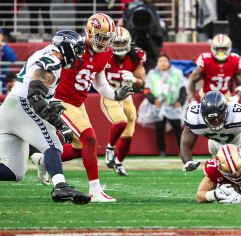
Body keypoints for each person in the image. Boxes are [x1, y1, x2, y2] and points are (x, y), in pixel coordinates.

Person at [0, 30, 90, 205]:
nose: (78, 56)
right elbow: (34, 96)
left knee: (14, 171)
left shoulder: (46, 52)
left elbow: (37, 90)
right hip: (21, 105)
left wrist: (49, 102)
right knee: (53, 143)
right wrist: (59, 124)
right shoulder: (53, 62)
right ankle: (60, 185)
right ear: (67, 48)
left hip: (8, 109)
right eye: (77, 51)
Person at [53, 14, 133, 202]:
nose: (105, 42)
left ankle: (43, 159)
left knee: (80, 148)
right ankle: (95, 191)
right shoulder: (73, 46)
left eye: (108, 38)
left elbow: (99, 82)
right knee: (89, 136)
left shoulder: (105, 52)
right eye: (101, 37)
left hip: (78, 102)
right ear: (89, 32)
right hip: (61, 100)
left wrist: (115, 94)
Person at [180, 91, 241, 172]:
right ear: (203, 115)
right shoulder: (194, 117)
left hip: (240, 141)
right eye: (211, 118)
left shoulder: (236, 114)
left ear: (226, 111)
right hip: (216, 143)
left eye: (219, 116)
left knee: (238, 168)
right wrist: (188, 162)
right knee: (221, 170)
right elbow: (185, 145)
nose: (216, 120)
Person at [102, 27, 146, 176]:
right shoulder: (104, 55)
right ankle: (109, 149)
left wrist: (134, 80)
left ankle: (119, 163)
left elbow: (143, 83)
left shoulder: (135, 55)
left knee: (128, 133)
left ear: (128, 43)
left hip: (127, 96)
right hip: (110, 95)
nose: (120, 46)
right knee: (121, 122)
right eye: (117, 43)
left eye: (122, 43)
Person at [139, 55, 188, 157]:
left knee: (177, 128)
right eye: (160, 61)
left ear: (169, 62)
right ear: (157, 63)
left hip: (173, 106)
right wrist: (153, 100)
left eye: (165, 61)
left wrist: (181, 101)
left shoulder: (177, 73)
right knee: (159, 129)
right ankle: (162, 150)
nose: (163, 63)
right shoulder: (152, 74)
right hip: (158, 107)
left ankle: (183, 150)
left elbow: (183, 87)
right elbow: (146, 89)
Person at [188, 34, 241, 106]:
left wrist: (237, 96)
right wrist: (192, 99)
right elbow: (192, 80)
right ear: (213, 48)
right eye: (218, 48)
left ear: (229, 48)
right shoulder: (206, 60)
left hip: (225, 95)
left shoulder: (235, 60)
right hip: (207, 95)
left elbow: (240, 83)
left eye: (223, 48)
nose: (220, 51)